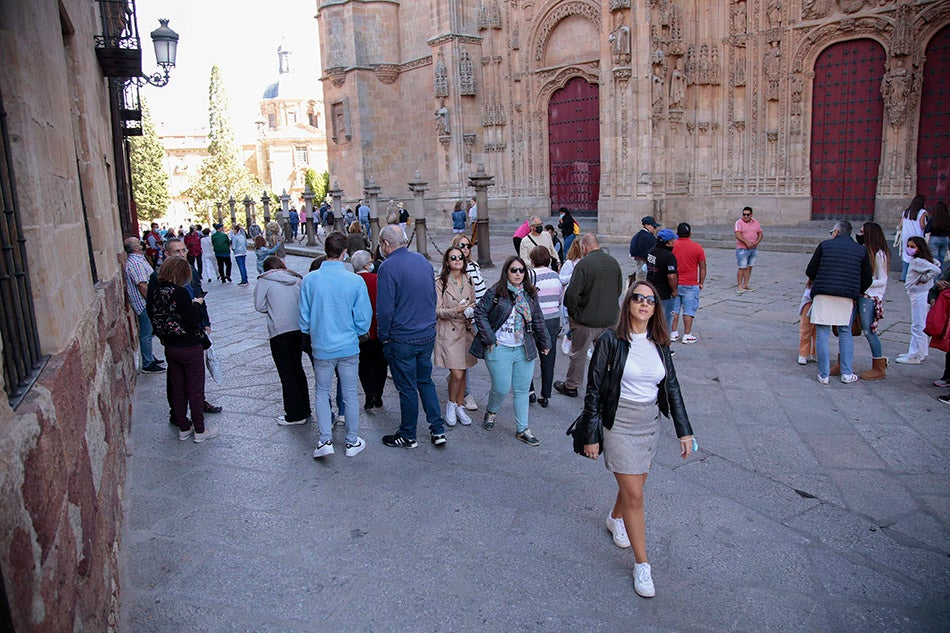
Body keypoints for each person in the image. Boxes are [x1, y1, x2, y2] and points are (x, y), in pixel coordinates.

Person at [577, 280, 695, 599]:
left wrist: (684, 429)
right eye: (638, 298)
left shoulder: (660, 341)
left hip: (649, 424)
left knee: (634, 488)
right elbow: (594, 390)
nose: (644, 304)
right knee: (636, 496)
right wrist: (591, 434)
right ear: (628, 303)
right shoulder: (610, 340)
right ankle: (642, 564)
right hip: (618, 423)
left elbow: (671, 387)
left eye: (651, 300)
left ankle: (616, 518)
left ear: (656, 308)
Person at [299, 232, 372, 458]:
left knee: (321, 392)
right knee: (350, 394)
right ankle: (351, 442)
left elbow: (303, 318)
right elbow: (363, 319)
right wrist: (355, 332)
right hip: (348, 345)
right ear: (345, 253)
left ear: (325, 250)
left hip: (321, 345)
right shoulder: (355, 281)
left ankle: (325, 441)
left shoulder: (310, 280)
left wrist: (314, 331)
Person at [376, 225, 447, 448]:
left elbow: (385, 308)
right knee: (425, 381)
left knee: (406, 387)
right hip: (425, 333)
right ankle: (437, 429)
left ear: (386, 245)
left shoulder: (388, 267)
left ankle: (408, 434)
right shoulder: (422, 261)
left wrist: (383, 336)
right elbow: (432, 296)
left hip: (402, 336)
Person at [470, 256, 551, 446]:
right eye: (513, 270)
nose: (517, 274)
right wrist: (489, 338)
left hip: (524, 348)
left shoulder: (530, 294)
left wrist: (545, 342)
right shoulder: (496, 292)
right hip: (499, 348)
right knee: (501, 388)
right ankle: (491, 410)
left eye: (521, 270)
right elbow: (479, 312)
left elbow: (538, 318)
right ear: (506, 271)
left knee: (522, 391)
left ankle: (522, 429)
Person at [148, 257, 219, 443]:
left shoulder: (156, 292)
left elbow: (152, 315)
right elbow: (192, 320)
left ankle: (183, 426)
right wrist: (197, 304)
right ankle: (200, 430)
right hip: (189, 345)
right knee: (195, 388)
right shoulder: (179, 292)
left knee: (178, 387)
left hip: (170, 346)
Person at [555, 234, 623, 398]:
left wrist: (574, 315)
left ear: (584, 247)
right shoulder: (613, 262)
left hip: (586, 320)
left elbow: (572, 296)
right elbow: (619, 289)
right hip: (610, 319)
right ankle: (604, 385)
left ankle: (572, 385)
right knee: (606, 355)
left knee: (578, 355)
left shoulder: (584, 265)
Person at [805, 220, 872, 384]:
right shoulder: (860, 250)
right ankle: (847, 373)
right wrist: (855, 290)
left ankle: (823, 374)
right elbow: (867, 278)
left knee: (822, 332)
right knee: (845, 332)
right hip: (847, 296)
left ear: (836, 231)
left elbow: (810, 270)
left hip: (823, 293)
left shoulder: (825, 246)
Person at [254, 256, 311, 425]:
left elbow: (259, 306)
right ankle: (305, 408)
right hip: (297, 328)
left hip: (279, 331)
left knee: (286, 372)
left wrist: (273, 308)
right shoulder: (296, 279)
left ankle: (294, 414)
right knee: (297, 369)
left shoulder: (264, 281)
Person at [435, 247, 477, 426]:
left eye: (460, 257)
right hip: (448, 332)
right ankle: (451, 405)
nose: (458, 260)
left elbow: (474, 301)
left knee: (464, 370)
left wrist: (470, 310)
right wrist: (456, 310)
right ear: (447, 261)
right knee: (457, 373)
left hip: (466, 330)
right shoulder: (440, 282)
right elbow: (436, 310)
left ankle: (460, 406)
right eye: (453, 257)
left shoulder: (469, 279)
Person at [451, 233, 486, 411]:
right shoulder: (455, 270)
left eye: (467, 246)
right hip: (466, 318)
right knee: (465, 357)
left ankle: (457, 379)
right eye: (461, 246)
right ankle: (466, 393)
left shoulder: (474, 265)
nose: (465, 249)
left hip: (481, 316)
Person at [351, 250, 388, 410]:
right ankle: (378, 395)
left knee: (364, 364)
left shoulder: (351, 281)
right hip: (378, 328)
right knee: (380, 364)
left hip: (359, 332)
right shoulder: (378, 280)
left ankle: (369, 394)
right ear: (368, 264)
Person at [895, 236, 941, 365]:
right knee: (919, 324)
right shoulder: (920, 260)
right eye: (908, 246)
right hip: (919, 293)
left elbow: (936, 269)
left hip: (919, 294)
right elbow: (936, 263)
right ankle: (919, 351)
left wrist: (925, 278)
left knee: (918, 325)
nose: (909, 249)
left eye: (912, 247)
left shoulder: (918, 261)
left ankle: (915, 354)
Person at [854, 222, 890, 380]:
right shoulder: (864, 252)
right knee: (847, 328)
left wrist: (865, 282)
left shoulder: (879, 255)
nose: (859, 234)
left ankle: (879, 366)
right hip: (860, 294)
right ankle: (843, 362)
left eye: (862, 232)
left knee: (869, 331)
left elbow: (883, 280)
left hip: (870, 297)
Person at [123, 237, 165, 373]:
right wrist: (152, 302)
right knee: (146, 333)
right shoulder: (135, 263)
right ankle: (148, 362)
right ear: (135, 248)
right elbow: (142, 285)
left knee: (149, 331)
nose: (142, 243)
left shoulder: (139, 259)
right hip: (143, 303)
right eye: (138, 242)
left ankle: (150, 357)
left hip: (147, 301)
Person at [527, 247, 562, 408]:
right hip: (553, 319)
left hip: (536, 320)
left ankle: (530, 391)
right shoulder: (556, 276)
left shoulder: (530, 275)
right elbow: (559, 299)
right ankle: (545, 394)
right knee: (549, 357)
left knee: (528, 355)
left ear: (533, 259)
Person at [669, 223, 706, 344]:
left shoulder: (672, 246)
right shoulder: (697, 247)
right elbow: (703, 266)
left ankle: (673, 332)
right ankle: (687, 334)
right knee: (689, 310)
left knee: (674, 309)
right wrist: (701, 282)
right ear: (690, 233)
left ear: (677, 233)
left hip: (675, 282)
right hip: (691, 283)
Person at [645, 229, 679, 328]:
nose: (674, 242)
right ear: (668, 242)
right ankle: (662, 340)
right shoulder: (669, 256)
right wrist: (674, 290)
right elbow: (671, 276)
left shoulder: (651, 251)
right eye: (673, 240)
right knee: (664, 319)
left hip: (651, 289)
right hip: (664, 293)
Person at [734, 206, 762, 294]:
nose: (745, 216)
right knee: (742, 267)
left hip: (753, 248)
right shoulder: (739, 223)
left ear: (751, 215)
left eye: (747, 215)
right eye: (744, 214)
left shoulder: (756, 223)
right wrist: (746, 242)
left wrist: (756, 242)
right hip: (742, 248)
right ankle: (739, 285)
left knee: (749, 267)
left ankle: (745, 284)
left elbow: (760, 233)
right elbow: (738, 234)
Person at [899, 195, 928, 282]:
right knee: (917, 255)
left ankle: (904, 276)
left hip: (906, 235)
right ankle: (914, 276)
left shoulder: (906, 212)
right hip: (917, 236)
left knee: (906, 254)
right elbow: (922, 226)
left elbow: (901, 224)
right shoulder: (922, 212)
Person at [629, 216, 660, 281]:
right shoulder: (647, 237)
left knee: (639, 278)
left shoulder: (638, 235)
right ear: (647, 225)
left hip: (639, 262)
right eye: (654, 227)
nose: (655, 229)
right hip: (645, 263)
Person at [929, 200, 950, 275]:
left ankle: (934, 279)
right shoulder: (948, 218)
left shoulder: (933, 218)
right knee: (941, 260)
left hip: (934, 238)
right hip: (945, 239)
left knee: (935, 260)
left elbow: (927, 229)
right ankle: (939, 277)